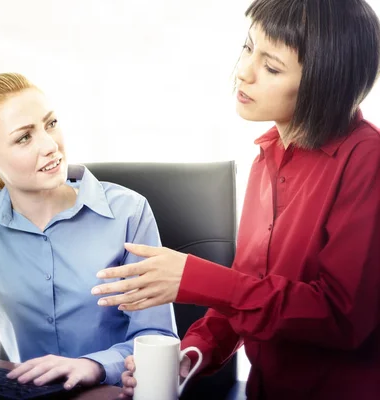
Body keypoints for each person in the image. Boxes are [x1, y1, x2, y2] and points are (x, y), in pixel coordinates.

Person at [91, 0, 380, 398]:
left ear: (323, 84)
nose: (243, 72)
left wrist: (194, 278)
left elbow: (341, 316)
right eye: (248, 48)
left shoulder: (367, 160)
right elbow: (248, 293)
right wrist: (193, 355)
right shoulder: (267, 158)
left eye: (271, 67)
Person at [0, 72, 177, 390]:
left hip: (112, 394)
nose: (51, 146)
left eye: (50, 124)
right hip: (26, 395)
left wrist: (94, 366)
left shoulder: (128, 213)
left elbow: (156, 338)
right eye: (24, 138)